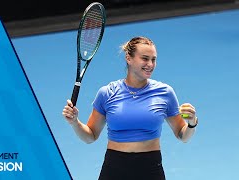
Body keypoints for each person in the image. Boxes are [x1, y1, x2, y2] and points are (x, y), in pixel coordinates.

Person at [62, 36, 198, 180]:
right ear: (129, 58)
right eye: (145, 58)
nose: (150, 64)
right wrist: (75, 122)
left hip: (150, 169)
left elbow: (183, 136)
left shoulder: (165, 92)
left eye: (154, 59)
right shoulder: (107, 93)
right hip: (114, 168)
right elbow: (90, 136)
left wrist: (192, 123)